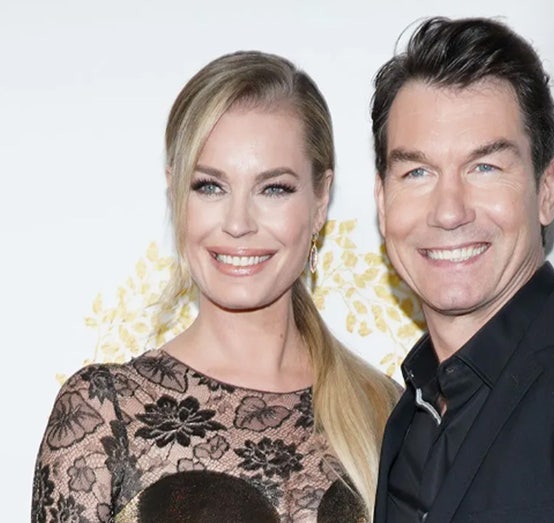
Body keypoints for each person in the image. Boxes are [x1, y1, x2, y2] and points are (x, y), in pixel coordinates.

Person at [31, 50, 399, 523]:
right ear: (175, 192)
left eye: (274, 188)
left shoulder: (386, 412)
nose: (238, 223)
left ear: (320, 199)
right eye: (210, 186)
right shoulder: (105, 413)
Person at [369, 16, 554, 523]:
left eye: (484, 167)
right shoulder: (407, 417)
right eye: (417, 172)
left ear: (546, 191)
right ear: (382, 201)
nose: (449, 211)